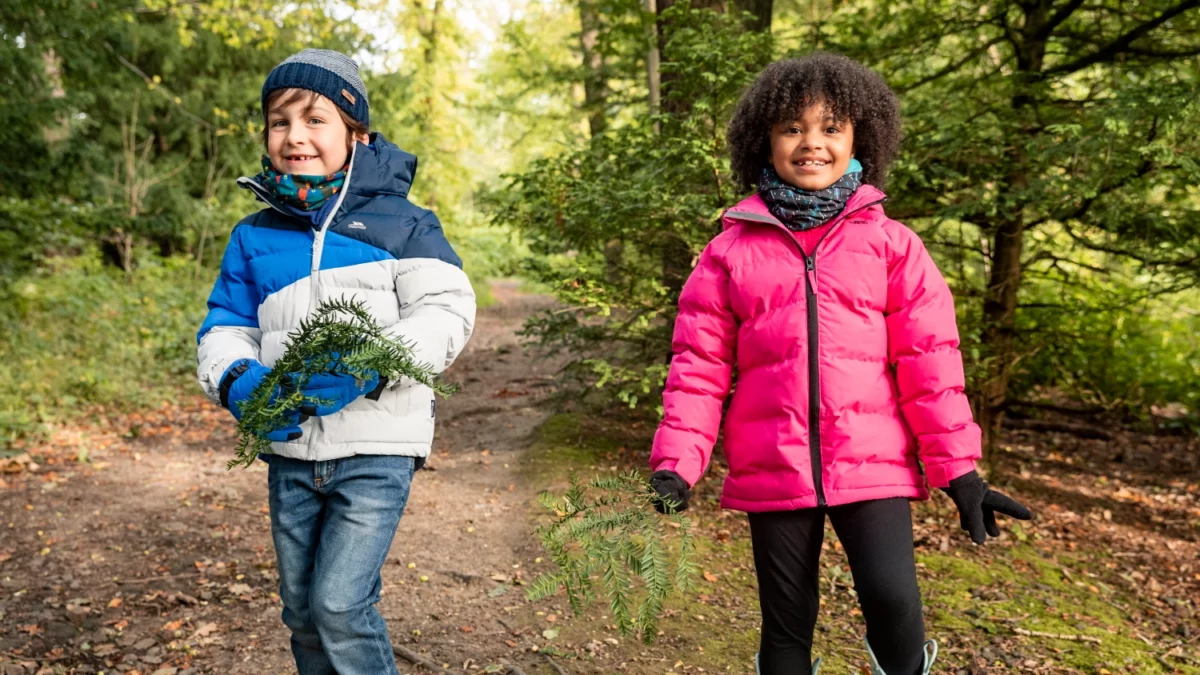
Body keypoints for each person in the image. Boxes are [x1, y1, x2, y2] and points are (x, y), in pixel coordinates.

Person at [647, 53, 1031, 675]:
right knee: (786, 624)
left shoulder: (892, 245)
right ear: (764, 141)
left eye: (830, 127)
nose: (811, 144)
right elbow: (699, 365)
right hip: (774, 461)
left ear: (859, 138)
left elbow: (930, 363)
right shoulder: (727, 253)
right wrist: (676, 466)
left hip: (872, 461)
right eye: (792, 128)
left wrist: (960, 473)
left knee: (893, 599)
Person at [195, 48, 475, 675]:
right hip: (290, 453)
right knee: (301, 612)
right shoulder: (254, 234)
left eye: (315, 119)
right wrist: (239, 380)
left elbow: (447, 311)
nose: (295, 136)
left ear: (357, 133)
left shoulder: (405, 224)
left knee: (341, 605)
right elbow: (224, 328)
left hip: (377, 446)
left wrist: (373, 362)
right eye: (279, 121)